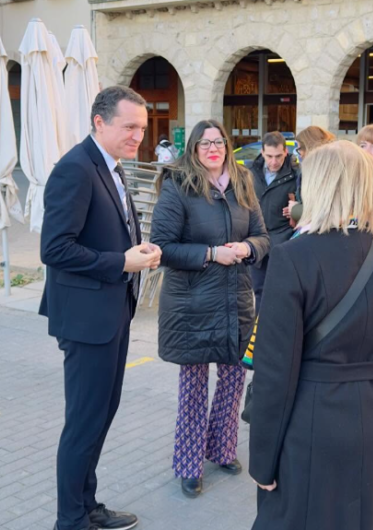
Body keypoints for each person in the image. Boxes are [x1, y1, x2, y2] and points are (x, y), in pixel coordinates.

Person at [249, 140, 373, 530]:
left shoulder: (293, 257)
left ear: (320, 186)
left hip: (313, 424)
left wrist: (262, 460)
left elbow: (275, 373)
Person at [40, 86, 162, 530]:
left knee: (98, 419)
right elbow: (54, 248)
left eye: (142, 129)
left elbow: (105, 231)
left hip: (113, 313)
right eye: (129, 127)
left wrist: (137, 248)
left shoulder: (111, 166)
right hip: (88, 321)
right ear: (99, 122)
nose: (138, 137)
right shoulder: (75, 168)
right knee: (84, 424)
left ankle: (87, 507)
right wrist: (121, 262)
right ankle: (70, 520)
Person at [150, 119, 270, 499]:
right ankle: (188, 464)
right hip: (192, 305)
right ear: (194, 151)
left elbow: (263, 236)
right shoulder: (178, 186)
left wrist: (248, 248)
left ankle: (222, 450)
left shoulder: (243, 183)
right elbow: (162, 247)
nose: (213, 149)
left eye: (219, 142)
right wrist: (211, 254)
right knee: (193, 387)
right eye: (205, 144)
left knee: (234, 382)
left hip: (236, 301)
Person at [248, 131, 301, 311]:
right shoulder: (250, 172)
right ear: (262, 152)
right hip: (256, 241)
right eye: (269, 156)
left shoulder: (296, 174)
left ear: (286, 152)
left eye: (278, 156)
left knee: (281, 293)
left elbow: (306, 206)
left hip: (283, 240)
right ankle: (260, 332)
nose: (274, 161)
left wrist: (297, 208)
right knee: (259, 291)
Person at [288, 125, 336, 224]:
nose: (299, 153)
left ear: (309, 147)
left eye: (299, 149)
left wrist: (294, 209)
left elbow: (323, 212)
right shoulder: (327, 168)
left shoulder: (323, 173)